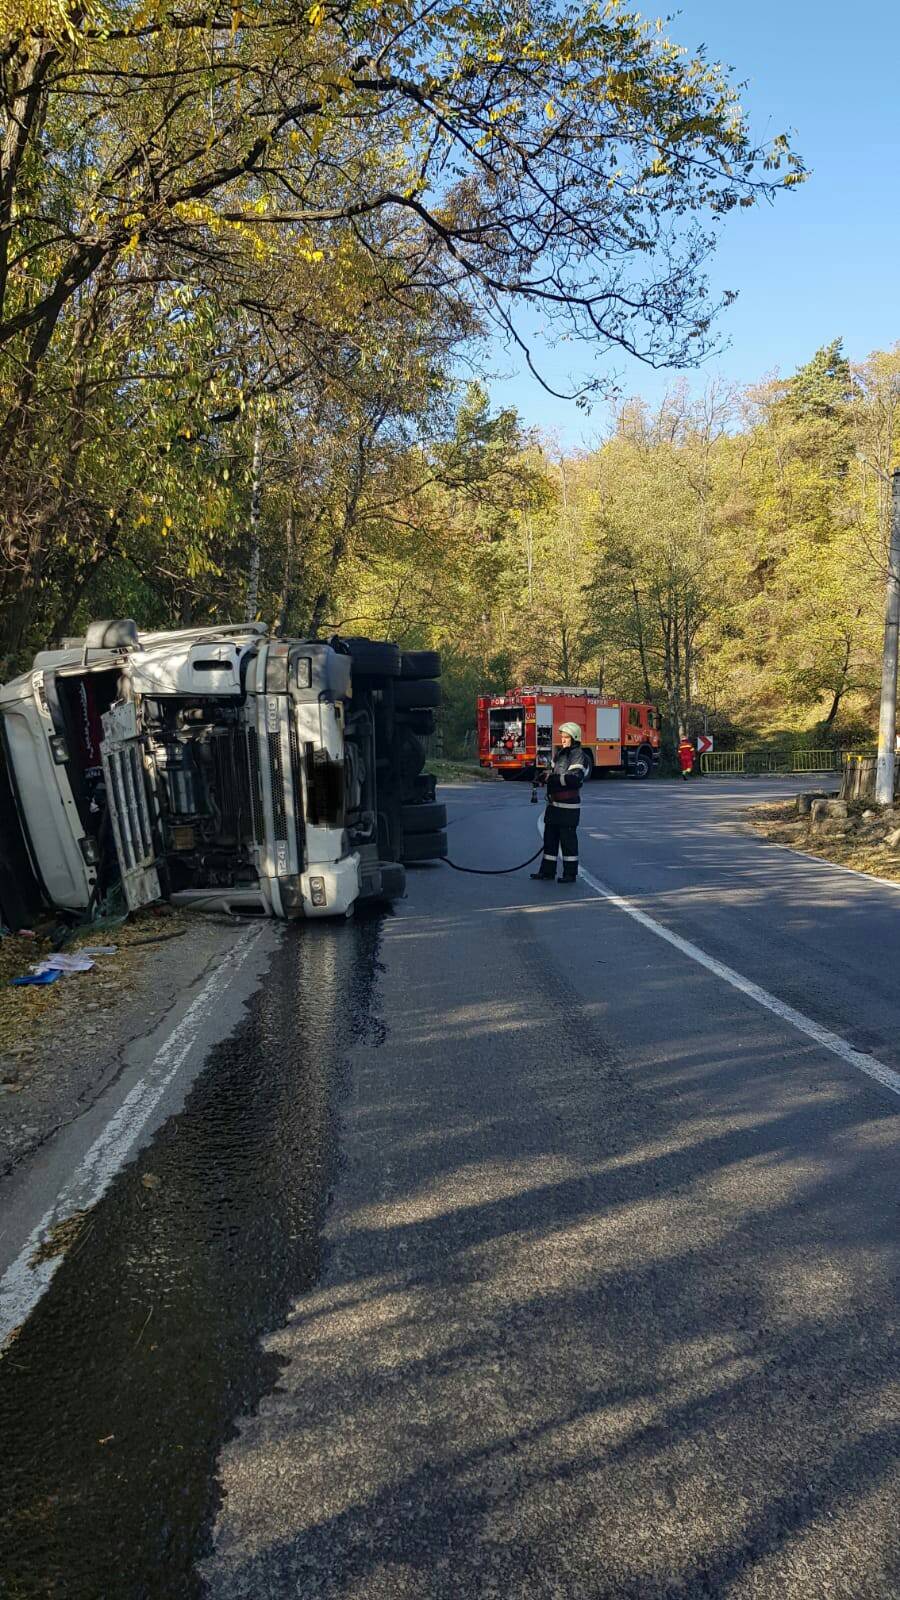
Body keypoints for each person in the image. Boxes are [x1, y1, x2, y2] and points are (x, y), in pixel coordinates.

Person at [531, 722, 589, 884]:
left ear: (574, 738)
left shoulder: (578, 756)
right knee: (550, 840)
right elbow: (552, 772)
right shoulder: (561, 754)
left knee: (567, 842)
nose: (562, 740)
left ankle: (570, 874)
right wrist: (542, 777)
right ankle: (547, 871)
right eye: (562, 737)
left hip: (568, 807)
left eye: (566, 737)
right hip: (553, 806)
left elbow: (574, 779)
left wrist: (551, 779)